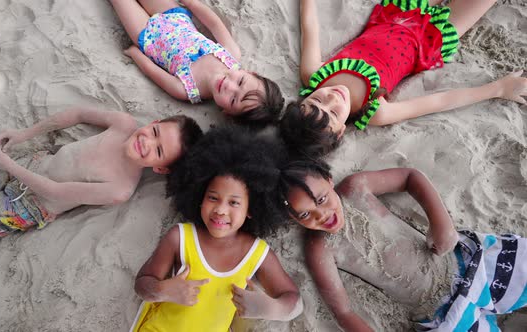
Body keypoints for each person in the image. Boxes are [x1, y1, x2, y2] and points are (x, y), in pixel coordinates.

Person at [278, 160, 527, 331]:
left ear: (329, 180)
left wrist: (442, 224)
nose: (321, 215)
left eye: (322, 199)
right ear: (293, 219)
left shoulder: (356, 188)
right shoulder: (318, 250)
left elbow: (410, 177)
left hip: (464, 261)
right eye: (305, 215)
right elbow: (343, 312)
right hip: (441, 312)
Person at [280, 0, 527, 157]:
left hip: (398, 13)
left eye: (316, 102)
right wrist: (498, 88)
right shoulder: (375, 112)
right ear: (343, 130)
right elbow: (437, 102)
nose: (330, 99)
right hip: (429, 40)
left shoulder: (315, 74)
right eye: (333, 114)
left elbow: (310, 26)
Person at [131, 126, 302, 331]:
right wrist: (163, 290)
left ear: (251, 209)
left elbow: (294, 300)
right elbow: (142, 284)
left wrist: (271, 308)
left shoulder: (257, 253)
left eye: (234, 203)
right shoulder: (180, 237)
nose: (220, 210)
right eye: (213, 198)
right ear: (200, 197)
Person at [0, 107, 203, 237]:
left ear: (160, 168)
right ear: (155, 122)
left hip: (27, 206)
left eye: (158, 150)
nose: (147, 142)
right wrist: (24, 134)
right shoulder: (123, 124)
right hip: (33, 163)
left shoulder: (120, 188)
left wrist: (8, 166)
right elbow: (77, 114)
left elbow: (55, 190)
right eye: (155, 132)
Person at [109, 0, 285, 127]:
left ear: (227, 113)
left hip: (147, 35)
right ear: (250, 73)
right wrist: (193, 4)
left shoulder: (188, 90)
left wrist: (134, 53)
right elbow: (214, 24)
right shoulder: (231, 54)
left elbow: (152, 71)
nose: (229, 86)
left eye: (233, 99)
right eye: (240, 81)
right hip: (175, 15)